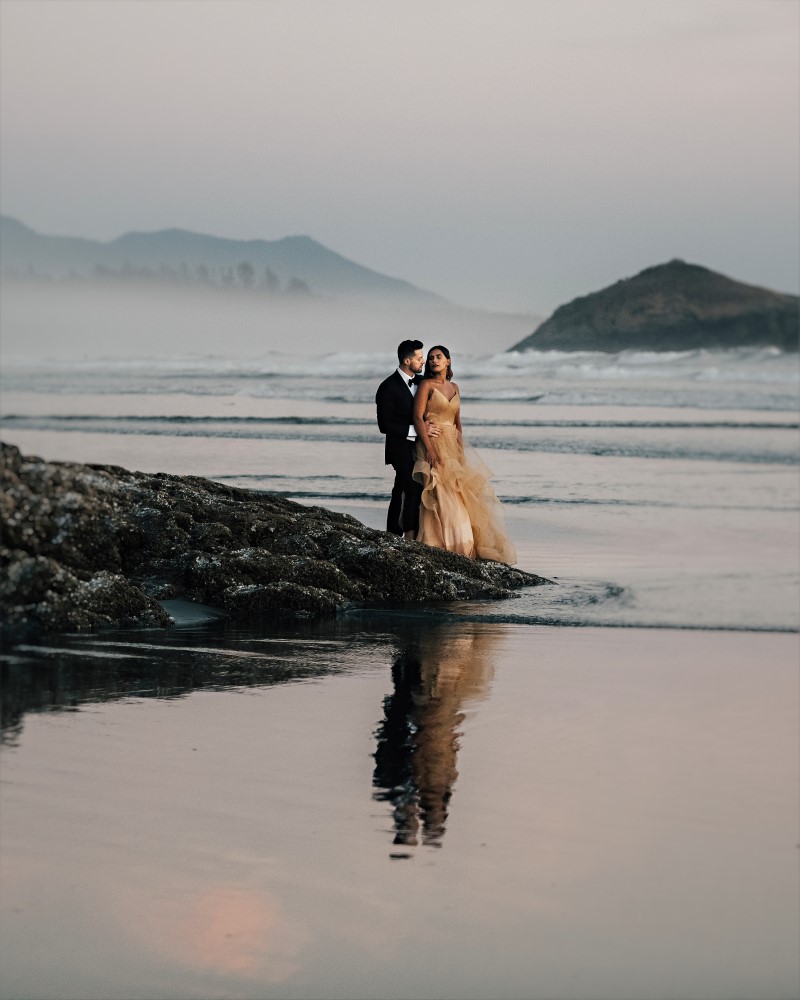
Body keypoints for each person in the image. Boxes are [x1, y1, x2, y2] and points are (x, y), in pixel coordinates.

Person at [412, 345, 516, 564]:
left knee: (459, 494)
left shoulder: (455, 387)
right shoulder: (426, 385)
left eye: (438, 357)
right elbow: (418, 418)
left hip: (451, 445)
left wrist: (461, 451)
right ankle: (441, 544)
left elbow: (458, 424)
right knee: (441, 495)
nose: (433, 361)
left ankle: (465, 544)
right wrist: (429, 449)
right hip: (433, 444)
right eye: (430, 358)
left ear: (448, 361)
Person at [375, 340, 439, 539]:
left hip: (420, 447)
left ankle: (403, 533)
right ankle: (399, 534)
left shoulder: (422, 382)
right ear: (406, 360)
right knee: (408, 488)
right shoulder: (387, 387)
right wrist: (418, 431)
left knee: (408, 489)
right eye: (419, 359)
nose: (423, 362)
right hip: (399, 448)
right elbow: (384, 425)